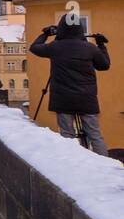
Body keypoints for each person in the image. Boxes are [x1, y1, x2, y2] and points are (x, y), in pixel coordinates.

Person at [30, 15, 111, 155]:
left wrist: (45, 34)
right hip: (87, 99)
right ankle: (105, 166)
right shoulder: (90, 48)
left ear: (61, 29)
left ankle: (71, 164)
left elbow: (34, 48)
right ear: (80, 29)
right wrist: (101, 45)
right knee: (95, 136)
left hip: (63, 99)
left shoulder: (55, 47)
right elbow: (104, 65)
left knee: (67, 135)